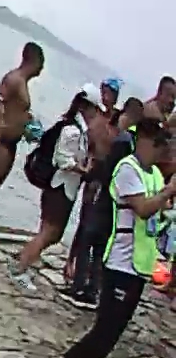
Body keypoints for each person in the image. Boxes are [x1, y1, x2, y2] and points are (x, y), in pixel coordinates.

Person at [56, 119, 174, 358]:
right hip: (120, 263)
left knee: (111, 328)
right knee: (107, 332)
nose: (161, 151)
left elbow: (156, 214)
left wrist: (166, 204)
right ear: (144, 141)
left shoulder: (154, 174)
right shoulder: (127, 169)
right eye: (158, 144)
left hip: (140, 265)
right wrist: (168, 192)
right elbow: (142, 208)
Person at [10, 89, 101, 292]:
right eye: (94, 109)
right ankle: (19, 268)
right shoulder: (73, 131)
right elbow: (62, 159)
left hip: (63, 188)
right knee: (50, 233)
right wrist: (82, 169)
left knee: (48, 232)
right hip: (60, 188)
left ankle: (24, 261)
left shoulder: (78, 130)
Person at [67, 98, 145, 308]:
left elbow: (109, 170)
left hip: (106, 197)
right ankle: (93, 288)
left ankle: (81, 287)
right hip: (119, 204)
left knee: (88, 239)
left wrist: (91, 175)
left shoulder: (122, 141)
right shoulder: (135, 142)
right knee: (101, 246)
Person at [0, 42, 47, 199]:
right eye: (41, 63)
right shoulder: (14, 79)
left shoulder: (22, 82)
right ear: (34, 61)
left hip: (9, 143)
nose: (42, 69)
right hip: (1, 142)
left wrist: (25, 120)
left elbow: (13, 108)